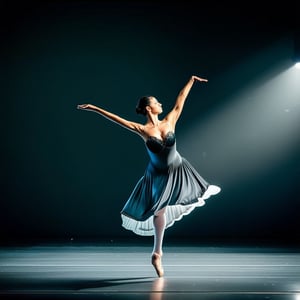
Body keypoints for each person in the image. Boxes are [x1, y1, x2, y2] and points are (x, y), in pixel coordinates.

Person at [77, 75, 221, 277]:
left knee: (180, 200)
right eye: (156, 102)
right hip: (158, 175)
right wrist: (94, 108)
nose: (160, 103)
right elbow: (117, 119)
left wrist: (190, 81)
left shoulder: (169, 121)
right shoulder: (143, 129)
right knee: (158, 211)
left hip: (178, 169)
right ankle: (157, 253)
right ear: (148, 108)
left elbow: (181, 100)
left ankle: (157, 253)